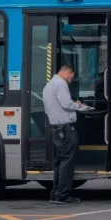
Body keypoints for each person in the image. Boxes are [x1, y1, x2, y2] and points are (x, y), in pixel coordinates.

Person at [42, 64, 82, 204]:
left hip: (55, 128)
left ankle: (55, 193)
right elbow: (67, 104)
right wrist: (78, 105)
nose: (71, 79)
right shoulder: (61, 84)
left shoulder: (48, 86)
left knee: (60, 161)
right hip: (65, 128)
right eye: (71, 76)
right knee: (67, 162)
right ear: (67, 72)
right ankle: (63, 195)